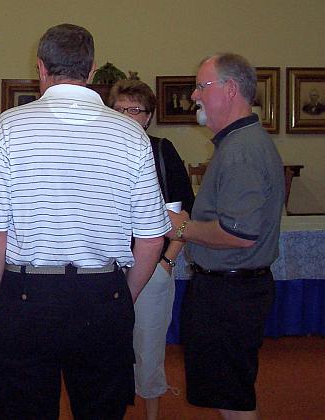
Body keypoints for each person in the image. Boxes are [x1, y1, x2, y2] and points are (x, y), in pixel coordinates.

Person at [0, 23, 171, 420]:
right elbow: (151, 239)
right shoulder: (131, 134)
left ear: (41, 68)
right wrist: (121, 297)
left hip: (26, 296)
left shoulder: (9, 127)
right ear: (91, 70)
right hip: (103, 293)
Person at [168, 53, 284, 420]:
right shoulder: (239, 143)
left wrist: (180, 226)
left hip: (230, 294)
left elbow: (239, 234)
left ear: (231, 89)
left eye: (202, 86)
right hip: (230, 290)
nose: (194, 96)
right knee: (232, 392)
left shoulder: (242, 151)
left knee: (232, 397)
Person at [109, 79, 195, 420]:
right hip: (105, 270)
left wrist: (169, 261)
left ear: (148, 116)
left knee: (149, 348)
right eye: (119, 109)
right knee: (108, 351)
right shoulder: (98, 150)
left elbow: (186, 211)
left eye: (135, 109)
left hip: (153, 269)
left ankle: (152, 415)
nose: (127, 116)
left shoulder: (161, 150)